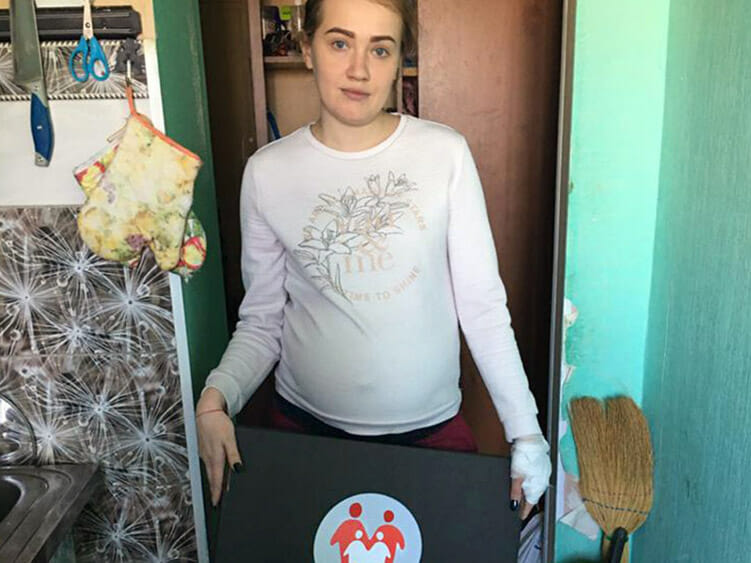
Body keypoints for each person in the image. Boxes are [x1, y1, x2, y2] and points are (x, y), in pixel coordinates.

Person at [196, 0, 551, 521]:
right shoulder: (268, 173)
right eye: (340, 43)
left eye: (379, 49)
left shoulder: (444, 155)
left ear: (399, 59)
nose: (359, 69)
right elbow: (263, 319)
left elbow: (482, 308)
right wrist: (215, 398)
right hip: (304, 436)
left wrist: (527, 432)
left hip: (431, 440)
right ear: (306, 48)